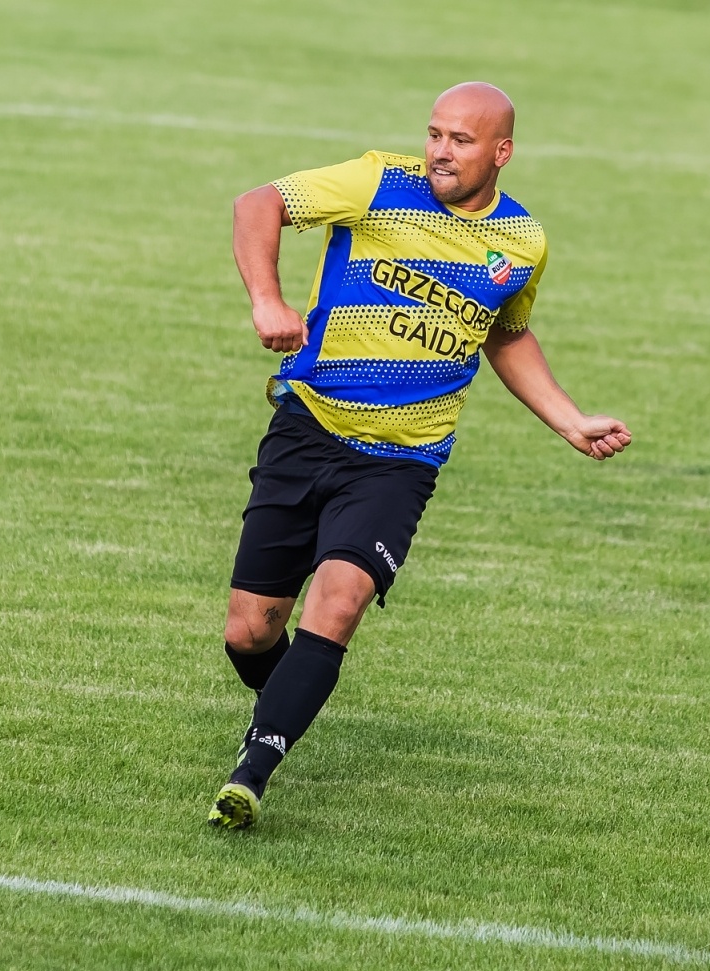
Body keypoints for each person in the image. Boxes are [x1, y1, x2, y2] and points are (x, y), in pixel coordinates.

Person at [207, 83, 632, 830]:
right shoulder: (379, 182)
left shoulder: (522, 242)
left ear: (501, 152)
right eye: (435, 133)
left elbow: (503, 331)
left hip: (399, 464)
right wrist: (266, 299)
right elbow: (257, 202)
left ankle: (253, 771)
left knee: (337, 603)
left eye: (461, 140)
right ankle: (288, 699)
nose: (440, 149)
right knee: (250, 631)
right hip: (307, 429)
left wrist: (568, 420)